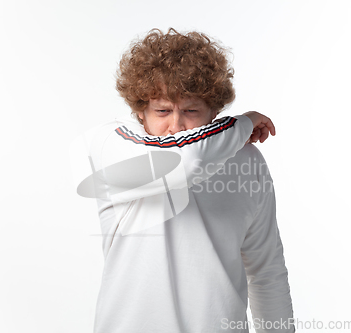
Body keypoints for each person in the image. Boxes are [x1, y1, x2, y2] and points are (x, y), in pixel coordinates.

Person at [77, 28, 295, 333]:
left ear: (215, 111)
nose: (176, 126)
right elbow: (184, 160)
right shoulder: (111, 145)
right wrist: (242, 123)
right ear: (140, 110)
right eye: (162, 110)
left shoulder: (246, 162)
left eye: (191, 110)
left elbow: (266, 270)